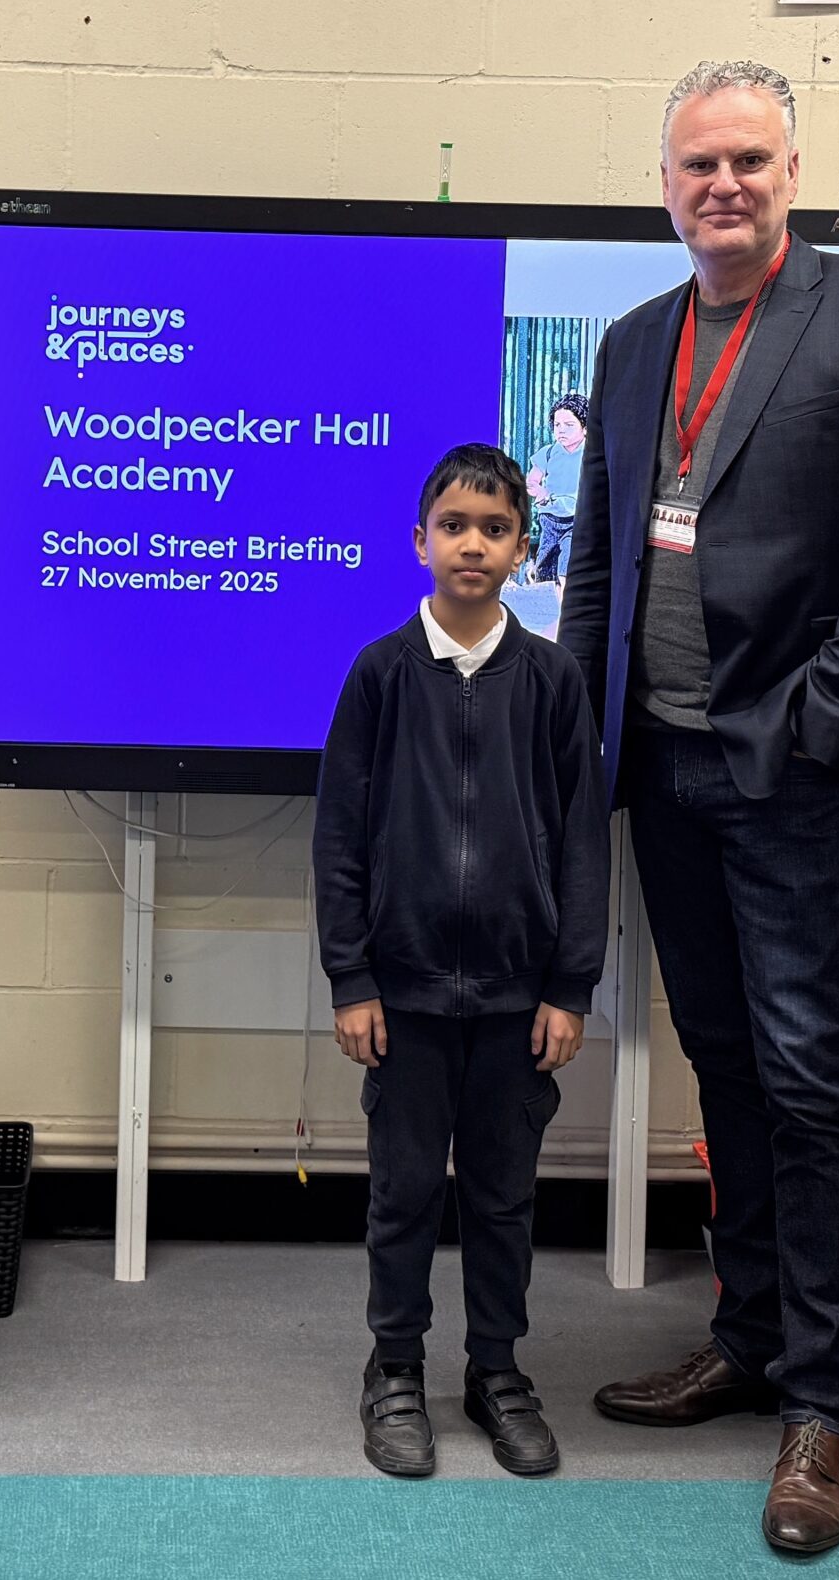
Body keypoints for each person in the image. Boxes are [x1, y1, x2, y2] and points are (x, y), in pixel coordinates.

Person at [559, 59, 839, 1553]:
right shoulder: (633, 338)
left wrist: (824, 719)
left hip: (794, 768)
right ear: (666, 184)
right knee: (723, 1062)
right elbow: (605, 556)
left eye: (747, 160)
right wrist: (583, 737)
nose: (721, 186)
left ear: (791, 170)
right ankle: (747, 1337)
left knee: (810, 1078)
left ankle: (824, 1401)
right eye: (695, 166)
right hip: (661, 764)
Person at [314, 443, 609, 1480]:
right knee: (402, 1194)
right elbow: (339, 838)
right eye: (453, 526)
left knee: (501, 1198)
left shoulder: (551, 679)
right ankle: (394, 1368)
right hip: (404, 997)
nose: (472, 544)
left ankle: (496, 1371)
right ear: (419, 543)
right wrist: (351, 978)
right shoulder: (381, 675)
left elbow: (580, 841)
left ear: (523, 546)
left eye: (493, 528)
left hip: (517, 1002)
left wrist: (570, 987)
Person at [523, 396, 589, 585]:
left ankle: (565, 612)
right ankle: (538, 574)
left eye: (569, 424)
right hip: (550, 519)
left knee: (566, 567)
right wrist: (540, 492)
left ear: (585, 427)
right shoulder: (548, 453)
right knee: (546, 569)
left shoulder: (591, 454)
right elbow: (531, 482)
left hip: (577, 519)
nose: (561, 430)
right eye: (557, 424)